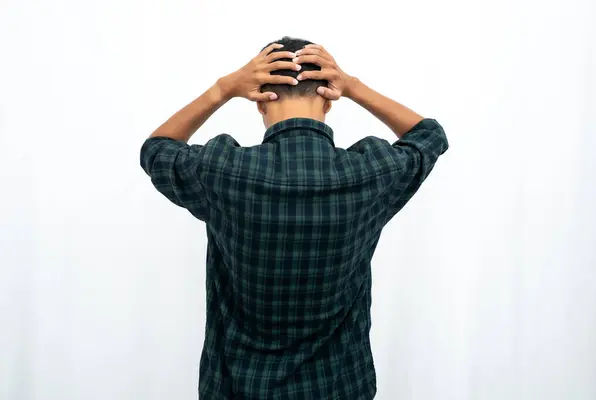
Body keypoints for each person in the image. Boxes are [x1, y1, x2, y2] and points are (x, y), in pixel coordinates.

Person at [140, 36, 449, 400]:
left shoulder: (223, 170)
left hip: (239, 389)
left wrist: (224, 89)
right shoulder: (370, 173)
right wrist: (353, 86)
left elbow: (156, 149)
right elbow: (429, 135)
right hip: (339, 389)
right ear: (327, 100)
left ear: (259, 102)